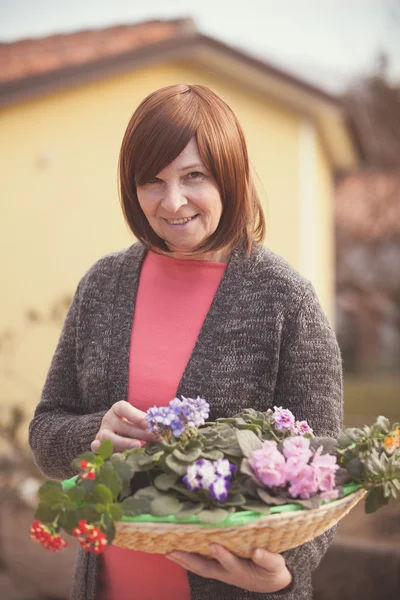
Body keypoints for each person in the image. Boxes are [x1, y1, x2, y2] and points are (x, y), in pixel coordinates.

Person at [29, 83, 343, 600]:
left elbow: (323, 465)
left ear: (230, 175)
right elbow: (45, 430)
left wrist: (285, 570)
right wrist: (93, 436)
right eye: (152, 181)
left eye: (193, 176)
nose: (172, 202)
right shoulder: (102, 286)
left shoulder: (285, 300)